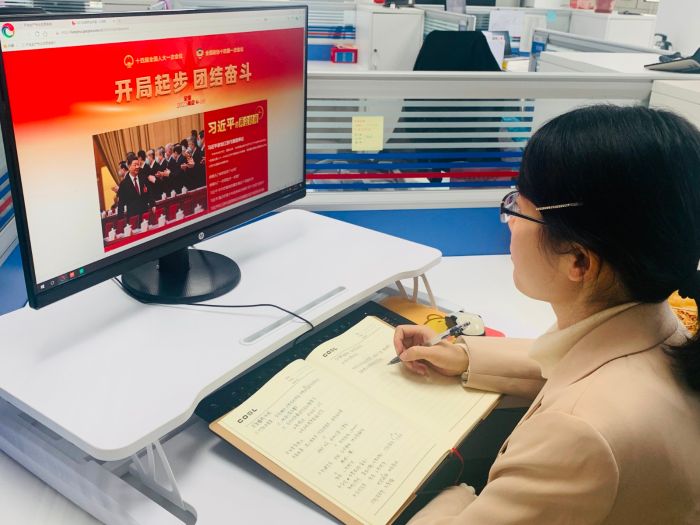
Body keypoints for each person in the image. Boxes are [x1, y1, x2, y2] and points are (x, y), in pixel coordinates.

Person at [394, 106, 700, 525]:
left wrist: (458, 494)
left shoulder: (577, 435)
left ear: (578, 261)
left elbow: (584, 404)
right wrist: (463, 356)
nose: (508, 223)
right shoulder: (663, 331)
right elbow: (572, 364)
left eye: (518, 208)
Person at [116, 153, 151, 219]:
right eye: (135, 165)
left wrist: (153, 205)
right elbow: (121, 204)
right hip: (133, 217)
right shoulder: (123, 184)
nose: (137, 167)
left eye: (138, 164)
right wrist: (120, 220)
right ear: (129, 166)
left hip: (146, 214)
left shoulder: (143, 178)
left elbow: (149, 193)